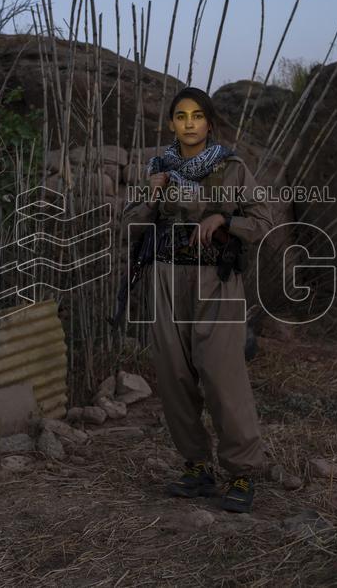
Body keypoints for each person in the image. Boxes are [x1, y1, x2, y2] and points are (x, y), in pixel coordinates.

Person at [121, 86, 274, 513]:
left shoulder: (232, 169)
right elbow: (129, 227)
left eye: (197, 116)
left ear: (209, 122)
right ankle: (196, 468)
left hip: (215, 279)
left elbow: (265, 219)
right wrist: (152, 198)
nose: (189, 123)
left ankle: (242, 472)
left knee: (223, 375)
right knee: (174, 377)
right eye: (181, 116)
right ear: (171, 123)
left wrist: (224, 217)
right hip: (167, 279)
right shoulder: (158, 170)